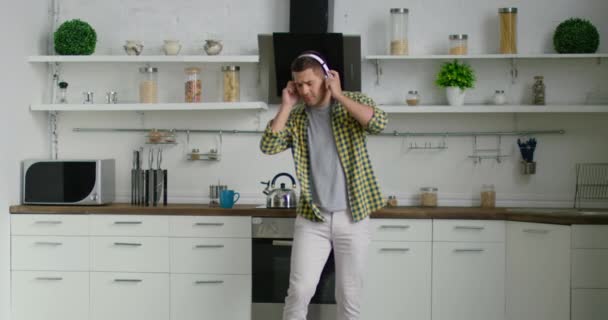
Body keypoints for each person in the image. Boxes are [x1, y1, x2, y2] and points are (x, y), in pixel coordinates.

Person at [260, 51, 387, 320]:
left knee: (349, 295)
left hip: (352, 216)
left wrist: (339, 95)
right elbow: (268, 146)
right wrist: (285, 105)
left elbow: (378, 123)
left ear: (326, 78)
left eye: (310, 83)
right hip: (312, 218)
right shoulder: (296, 118)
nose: (305, 90)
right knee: (299, 291)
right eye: (299, 84)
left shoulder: (353, 102)